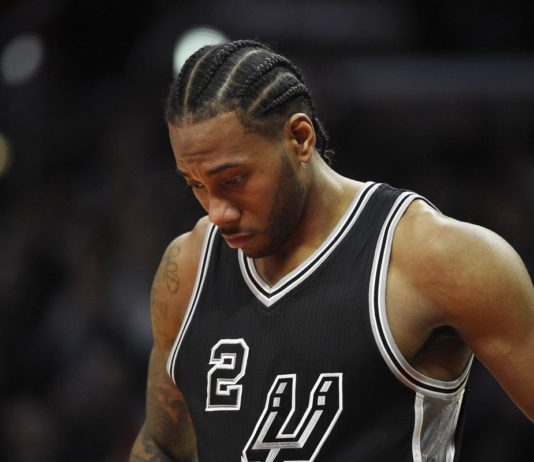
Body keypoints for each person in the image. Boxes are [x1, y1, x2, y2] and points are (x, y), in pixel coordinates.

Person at [130, 40, 534, 462]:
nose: (217, 211)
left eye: (233, 180)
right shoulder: (189, 267)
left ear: (299, 138)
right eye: (195, 184)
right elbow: (160, 446)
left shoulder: (435, 257)